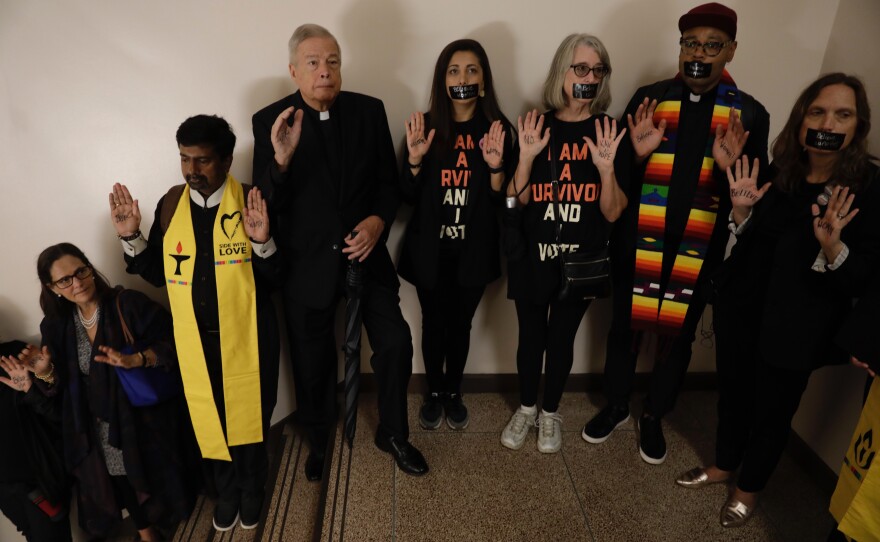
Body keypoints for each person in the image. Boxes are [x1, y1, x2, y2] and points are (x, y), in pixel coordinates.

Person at [677, 73, 880, 527]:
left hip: (799, 329)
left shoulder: (867, 187)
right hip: (742, 313)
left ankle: (747, 489)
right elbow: (753, 244)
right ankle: (723, 465)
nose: (828, 121)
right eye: (818, 111)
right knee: (732, 397)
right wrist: (742, 213)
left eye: (842, 114)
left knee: (773, 412)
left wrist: (833, 247)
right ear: (802, 119)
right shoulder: (779, 173)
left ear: (857, 125)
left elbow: (864, 275)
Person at [582, 1, 770, 465]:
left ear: (731, 51)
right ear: (680, 47)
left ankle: (654, 415)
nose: (699, 53)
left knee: (677, 338)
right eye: (691, 43)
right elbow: (618, 176)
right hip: (639, 240)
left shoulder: (749, 115)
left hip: (699, 250)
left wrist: (729, 173)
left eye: (712, 45)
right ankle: (618, 404)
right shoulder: (650, 97)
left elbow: (751, 191)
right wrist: (641, 156)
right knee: (624, 328)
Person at [252, 23, 427, 478]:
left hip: (366, 257)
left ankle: (393, 432)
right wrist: (282, 161)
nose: (324, 71)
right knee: (311, 363)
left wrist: (376, 222)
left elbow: (387, 187)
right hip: (305, 266)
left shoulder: (369, 111)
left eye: (332, 61)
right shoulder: (271, 121)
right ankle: (318, 439)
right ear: (294, 71)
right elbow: (265, 206)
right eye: (313, 63)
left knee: (395, 343)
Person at [109, 114, 281, 531]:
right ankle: (225, 488)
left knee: (250, 416)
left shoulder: (254, 201)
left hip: (248, 336)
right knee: (209, 415)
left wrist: (261, 242)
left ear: (226, 160)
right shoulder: (171, 205)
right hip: (194, 341)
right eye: (185, 159)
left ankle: (252, 486)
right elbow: (162, 274)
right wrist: (133, 236)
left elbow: (277, 278)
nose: (191, 171)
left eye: (202, 161)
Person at [500, 33, 629, 454]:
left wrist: (606, 170)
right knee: (530, 338)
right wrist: (526, 156)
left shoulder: (609, 129)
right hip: (533, 257)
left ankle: (550, 413)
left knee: (561, 339)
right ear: (562, 71)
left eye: (598, 69)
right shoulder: (537, 123)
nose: (589, 77)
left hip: (582, 262)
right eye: (581, 68)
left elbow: (613, 213)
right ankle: (525, 408)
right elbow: (514, 200)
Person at [21, 243, 193, 540]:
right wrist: (45, 372)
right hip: (96, 420)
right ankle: (147, 532)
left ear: (90, 268)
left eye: (81, 271)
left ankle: (174, 514)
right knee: (119, 475)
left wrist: (138, 359)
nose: (77, 283)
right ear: (53, 288)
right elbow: (59, 387)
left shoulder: (127, 304)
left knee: (155, 469)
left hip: (142, 414)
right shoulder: (56, 326)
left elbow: (175, 342)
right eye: (65, 280)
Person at [398, 39, 516, 431]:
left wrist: (497, 168)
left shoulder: (500, 131)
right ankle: (433, 391)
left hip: (475, 250)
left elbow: (508, 203)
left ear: (483, 80)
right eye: (453, 70)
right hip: (430, 250)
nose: (462, 78)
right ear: (442, 80)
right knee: (432, 322)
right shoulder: (425, 128)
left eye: (471, 70)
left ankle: (453, 390)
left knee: (461, 324)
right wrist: (414, 161)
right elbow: (407, 198)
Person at [0, 340, 71, 542]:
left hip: (39, 479)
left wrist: (32, 386)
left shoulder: (16, 355)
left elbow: (60, 414)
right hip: (5, 489)